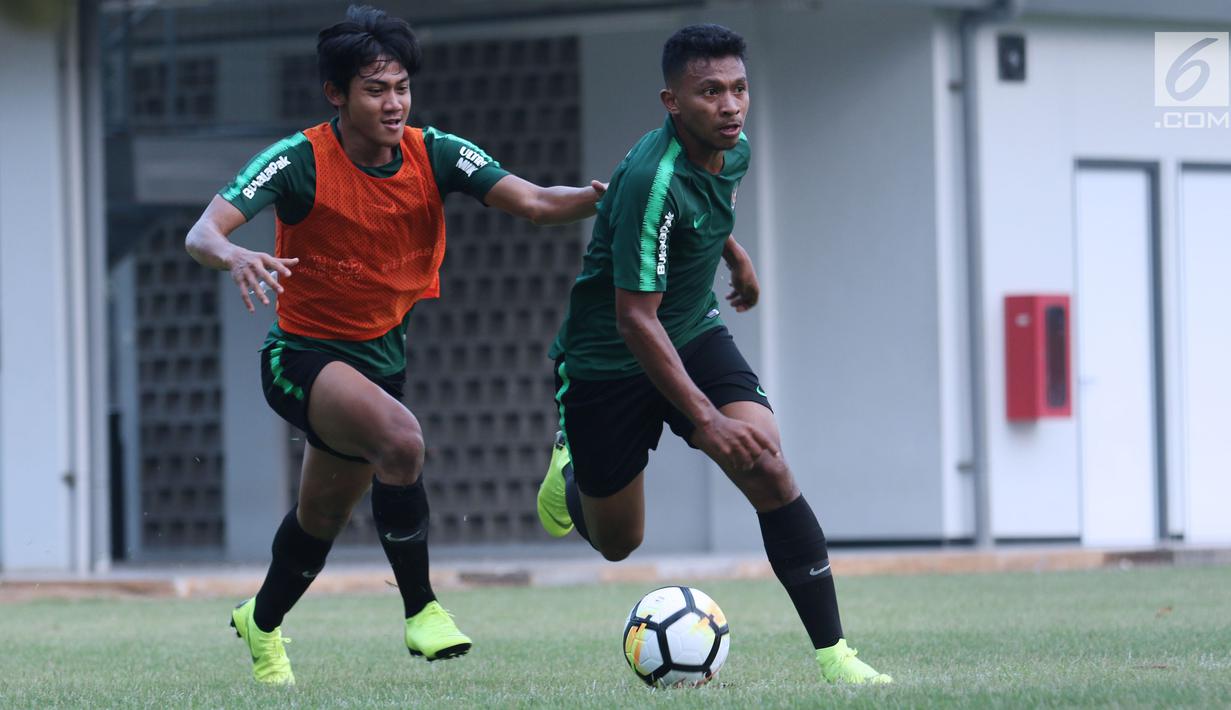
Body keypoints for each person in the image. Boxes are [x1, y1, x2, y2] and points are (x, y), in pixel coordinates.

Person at [185, 5, 604, 686]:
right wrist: (233, 255)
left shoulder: (434, 151)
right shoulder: (297, 160)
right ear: (336, 94)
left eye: (401, 87)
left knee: (320, 516)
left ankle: (259, 623)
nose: (393, 103)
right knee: (402, 442)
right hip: (300, 358)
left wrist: (599, 199)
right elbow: (202, 232)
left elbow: (531, 202)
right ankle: (422, 610)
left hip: (380, 362)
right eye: (375, 89)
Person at [535, 24, 891, 685]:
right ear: (671, 102)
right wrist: (708, 421)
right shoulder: (650, 181)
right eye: (709, 93)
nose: (729, 106)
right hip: (610, 357)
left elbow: (712, 207)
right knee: (618, 542)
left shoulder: (734, 149)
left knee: (767, 463)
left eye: (738, 89)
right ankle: (570, 473)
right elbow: (634, 320)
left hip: (691, 329)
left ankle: (836, 657)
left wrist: (735, 254)